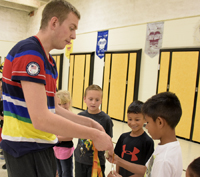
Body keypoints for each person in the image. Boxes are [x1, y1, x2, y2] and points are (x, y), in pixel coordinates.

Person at [0, 1, 113, 177]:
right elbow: (41, 119)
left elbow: (54, 108)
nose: (74, 35)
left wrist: (90, 122)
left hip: (42, 145)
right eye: (71, 27)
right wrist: (93, 134)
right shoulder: (30, 53)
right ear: (54, 22)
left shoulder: (49, 62)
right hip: (25, 149)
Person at [107, 92, 183, 177]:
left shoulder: (164, 160)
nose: (146, 127)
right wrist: (119, 161)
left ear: (160, 122)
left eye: (148, 122)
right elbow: (147, 170)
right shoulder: (167, 147)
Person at [74, 84, 113, 177]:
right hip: (80, 159)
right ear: (84, 99)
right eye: (90, 99)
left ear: (101, 100)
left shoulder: (106, 119)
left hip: (97, 161)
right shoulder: (80, 116)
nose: (93, 102)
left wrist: (110, 153)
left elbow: (108, 140)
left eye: (97, 100)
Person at [114, 100, 154, 177]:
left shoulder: (148, 142)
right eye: (130, 119)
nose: (133, 123)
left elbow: (147, 169)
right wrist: (117, 174)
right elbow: (118, 160)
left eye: (137, 120)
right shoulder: (123, 137)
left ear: (145, 119)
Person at [53, 90, 74, 177]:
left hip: (65, 150)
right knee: (59, 172)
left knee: (66, 173)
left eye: (64, 104)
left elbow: (70, 137)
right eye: (59, 104)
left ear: (69, 103)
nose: (61, 107)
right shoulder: (55, 115)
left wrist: (55, 137)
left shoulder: (70, 117)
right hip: (56, 148)